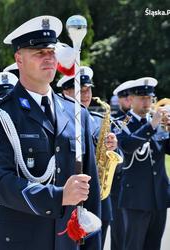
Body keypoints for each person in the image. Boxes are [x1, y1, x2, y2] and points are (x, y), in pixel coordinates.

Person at [0, 15, 101, 250]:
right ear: (19, 59)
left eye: (52, 52)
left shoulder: (77, 114)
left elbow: (89, 193)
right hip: (17, 241)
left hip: (67, 241)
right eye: (39, 52)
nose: (49, 58)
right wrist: (58, 196)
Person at [57, 66, 118, 249]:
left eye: (88, 89)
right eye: (79, 90)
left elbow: (118, 161)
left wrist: (114, 148)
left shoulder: (99, 120)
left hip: (99, 201)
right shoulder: (59, 120)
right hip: (70, 200)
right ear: (65, 92)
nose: (85, 95)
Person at [116, 77, 170, 250]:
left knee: (154, 245)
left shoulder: (158, 122)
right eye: (142, 98)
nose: (147, 101)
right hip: (136, 199)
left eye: (149, 98)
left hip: (159, 196)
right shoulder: (121, 123)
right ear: (131, 100)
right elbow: (127, 146)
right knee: (133, 246)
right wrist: (151, 125)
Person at [110, 79, 134, 250]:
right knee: (120, 232)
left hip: (139, 183)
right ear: (119, 99)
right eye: (124, 97)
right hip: (119, 183)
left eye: (130, 96)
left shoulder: (145, 120)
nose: (128, 100)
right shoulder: (113, 122)